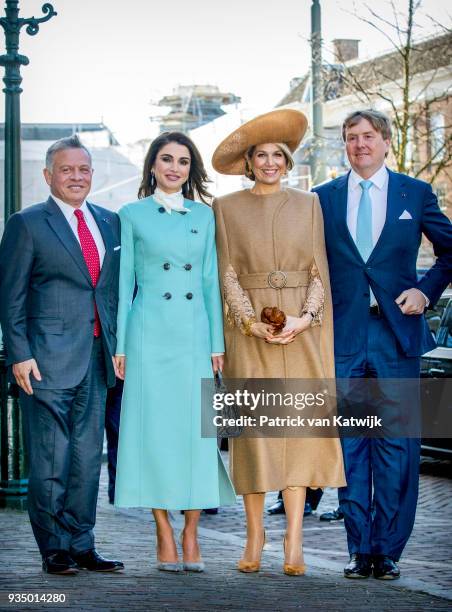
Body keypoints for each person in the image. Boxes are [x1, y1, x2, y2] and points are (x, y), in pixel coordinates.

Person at [313, 109, 452, 580]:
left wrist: (426, 290)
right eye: (350, 138)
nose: (359, 145)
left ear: (386, 141)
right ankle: (359, 549)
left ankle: (388, 551)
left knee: (396, 448)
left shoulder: (416, 192)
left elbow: (450, 249)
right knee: (353, 445)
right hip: (346, 338)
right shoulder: (323, 199)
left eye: (367, 136)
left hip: (397, 336)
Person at [212, 109, 346, 576]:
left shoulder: (309, 204)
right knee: (253, 434)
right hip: (249, 337)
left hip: (300, 335)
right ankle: (255, 534)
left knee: (297, 434)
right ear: (249, 162)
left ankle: (294, 539)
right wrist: (250, 324)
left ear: (288, 162)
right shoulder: (224, 208)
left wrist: (303, 319)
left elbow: (318, 271)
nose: (270, 162)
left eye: (278, 155)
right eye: (261, 155)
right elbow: (226, 273)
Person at [0, 136, 124, 575]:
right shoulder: (27, 223)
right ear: (48, 175)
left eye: (84, 169)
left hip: (97, 359)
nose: (76, 177)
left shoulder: (110, 223)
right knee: (52, 456)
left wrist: (119, 347)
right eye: (67, 169)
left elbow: (110, 293)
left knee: (88, 457)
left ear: (93, 174)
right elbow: (10, 296)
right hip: (45, 360)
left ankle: (82, 542)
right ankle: (53, 547)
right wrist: (19, 354)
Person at [113, 132, 236, 573]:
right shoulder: (131, 214)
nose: (174, 168)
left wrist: (217, 344)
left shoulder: (205, 216)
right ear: (152, 165)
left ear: (191, 169)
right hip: (149, 335)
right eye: (166, 159)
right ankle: (163, 529)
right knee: (155, 433)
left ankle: (191, 530)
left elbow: (209, 282)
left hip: (194, 337)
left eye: (183, 161)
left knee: (196, 435)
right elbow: (125, 283)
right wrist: (122, 345)